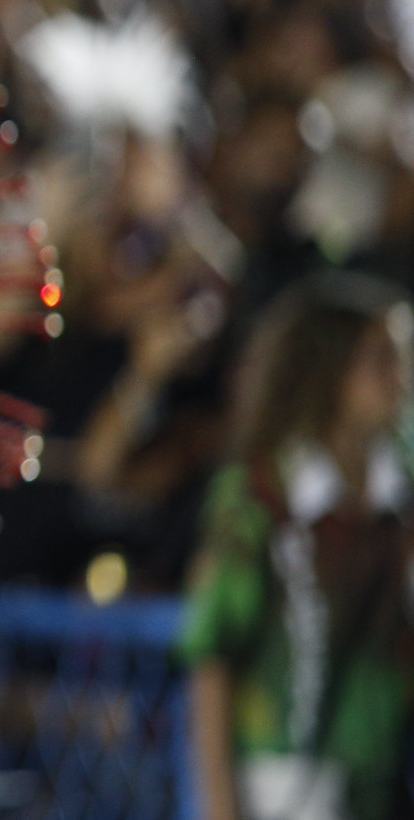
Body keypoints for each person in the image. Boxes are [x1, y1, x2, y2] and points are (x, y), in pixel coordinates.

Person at [181, 272, 414, 820]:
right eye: (380, 362)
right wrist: (221, 806)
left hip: (383, 778)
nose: (400, 381)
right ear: (327, 373)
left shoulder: (402, 497)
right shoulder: (261, 498)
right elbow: (213, 658)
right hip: (281, 783)